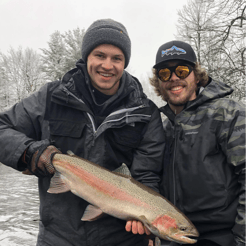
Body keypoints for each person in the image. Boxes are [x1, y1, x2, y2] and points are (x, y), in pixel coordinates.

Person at [0, 19, 165, 246]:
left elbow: (147, 177)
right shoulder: (50, 97)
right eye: (100, 55)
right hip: (58, 237)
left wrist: (146, 219)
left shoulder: (145, 113)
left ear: (125, 62)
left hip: (121, 239)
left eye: (116, 58)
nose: (107, 65)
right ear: (86, 56)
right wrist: (32, 152)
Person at [150, 40, 246, 246]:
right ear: (159, 82)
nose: (174, 78)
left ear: (196, 74)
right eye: (165, 73)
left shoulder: (229, 114)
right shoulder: (161, 129)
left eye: (182, 70)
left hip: (223, 237)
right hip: (174, 235)